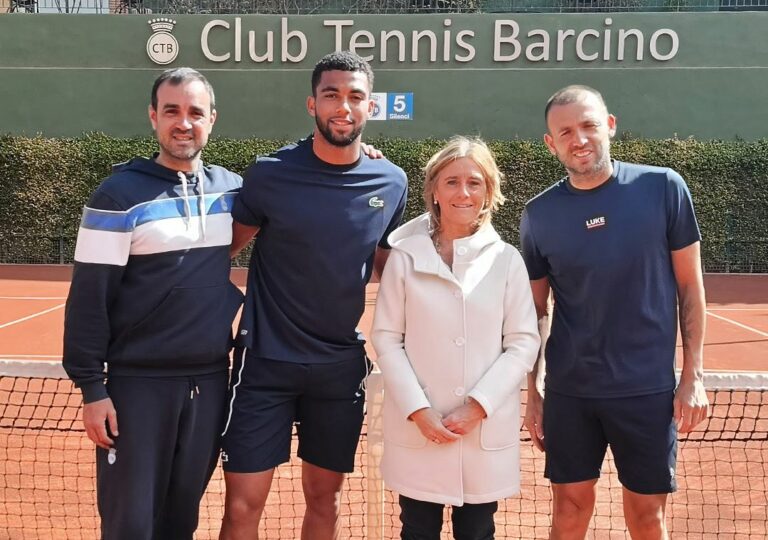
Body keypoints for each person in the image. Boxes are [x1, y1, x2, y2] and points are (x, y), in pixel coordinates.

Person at [218, 51, 408, 540]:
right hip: (263, 365)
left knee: (326, 501)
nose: (343, 107)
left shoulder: (391, 181)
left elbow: (393, 266)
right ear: (312, 104)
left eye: (355, 97)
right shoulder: (270, 174)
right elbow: (221, 253)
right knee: (242, 507)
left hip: (338, 371)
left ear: (370, 107)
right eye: (331, 95)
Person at [520, 85, 710, 540]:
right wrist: (533, 392)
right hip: (571, 391)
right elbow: (534, 311)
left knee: (647, 518)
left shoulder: (663, 187)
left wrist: (693, 376)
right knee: (568, 512)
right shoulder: (538, 214)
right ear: (551, 143)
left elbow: (690, 285)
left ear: (609, 125)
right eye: (565, 131)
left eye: (588, 125)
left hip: (646, 389)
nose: (579, 138)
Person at [62, 67, 243, 540]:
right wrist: (92, 389)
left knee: (180, 520)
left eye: (195, 112)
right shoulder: (118, 194)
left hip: (208, 383)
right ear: (153, 117)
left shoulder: (234, 190)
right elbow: (88, 297)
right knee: (131, 525)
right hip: (136, 388)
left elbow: (298, 186)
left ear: (212, 120)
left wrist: (359, 154)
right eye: (172, 111)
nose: (184, 123)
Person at [371, 136, 540, 540]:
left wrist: (478, 408)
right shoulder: (405, 258)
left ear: (488, 192)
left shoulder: (507, 261)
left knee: (478, 531)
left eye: (474, 182)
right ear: (433, 189)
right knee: (416, 530)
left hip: (482, 432)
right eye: (451, 181)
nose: (462, 192)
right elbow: (386, 338)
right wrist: (418, 410)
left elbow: (522, 342)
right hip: (417, 430)